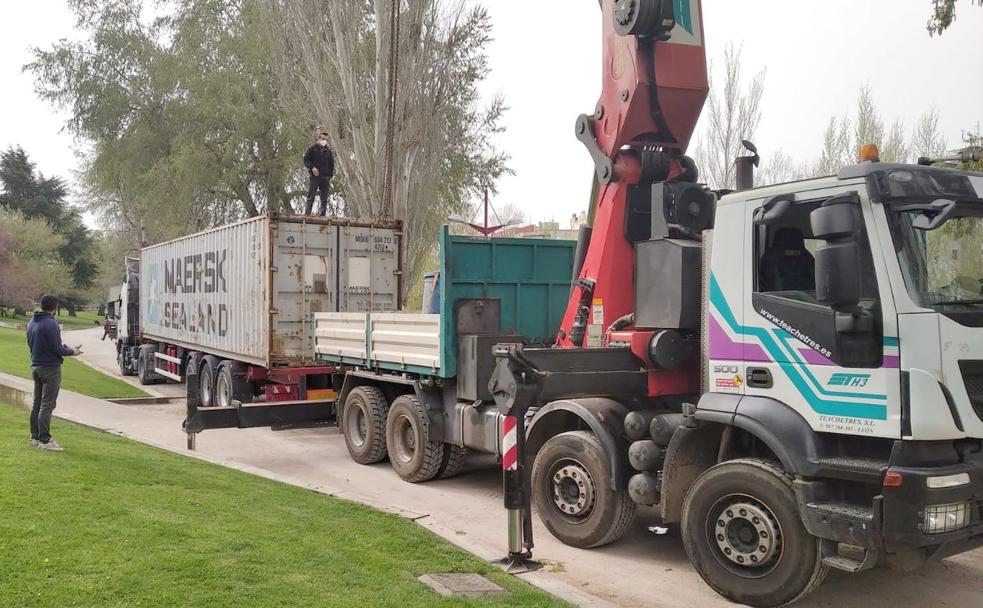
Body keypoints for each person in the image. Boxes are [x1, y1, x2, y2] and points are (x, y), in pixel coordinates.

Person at [26, 294, 83, 452]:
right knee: (47, 404)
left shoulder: (31, 322)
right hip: (50, 368)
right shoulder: (51, 323)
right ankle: (45, 440)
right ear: (55, 307)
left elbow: (43, 344)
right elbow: (56, 348)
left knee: (37, 403)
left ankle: (35, 436)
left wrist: (64, 348)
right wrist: (72, 351)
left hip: (36, 366)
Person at [303, 131, 336, 216]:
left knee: (324, 198)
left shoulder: (328, 152)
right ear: (318, 139)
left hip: (325, 177)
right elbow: (306, 160)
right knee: (311, 196)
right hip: (314, 177)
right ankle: (307, 214)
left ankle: (323, 215)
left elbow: (331, 164)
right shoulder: (312, 149)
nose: (324, 141)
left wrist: (330, 175)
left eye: (326, 139)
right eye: (323, 139)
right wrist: (312, 167)